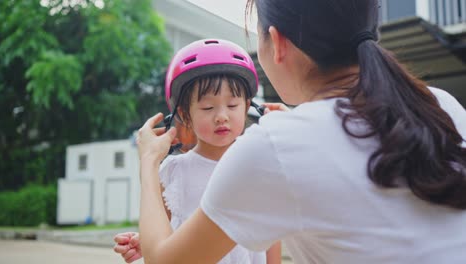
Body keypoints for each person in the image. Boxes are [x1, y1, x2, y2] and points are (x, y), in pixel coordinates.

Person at [123, 0, 466, 263]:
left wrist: (148, 161)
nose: (222, 115)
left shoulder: (276, 146)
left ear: (277, 42)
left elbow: (165, 260)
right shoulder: (440, 104)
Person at [113, 39, 281, 264]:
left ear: (248, 106)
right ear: (185, 114)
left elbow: (270, 237)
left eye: (232, 105)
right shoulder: (173, 171)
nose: (221, 115)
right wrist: (146, 242)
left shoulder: (259, 165)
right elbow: (164, 237)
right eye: (207, 107)